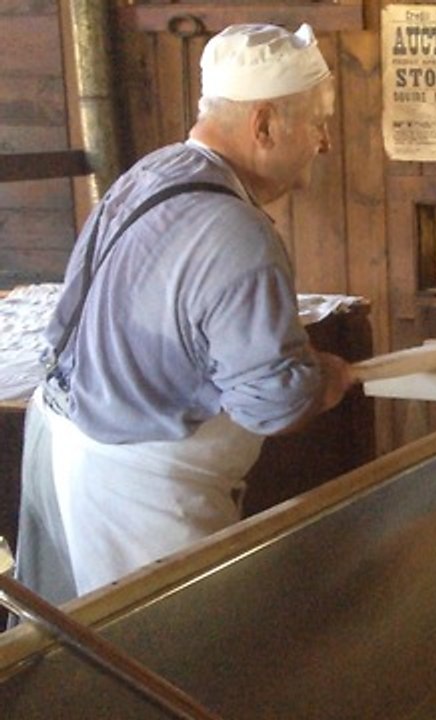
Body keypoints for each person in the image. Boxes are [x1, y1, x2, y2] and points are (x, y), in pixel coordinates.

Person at [14, 22, 352, 601]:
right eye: (318, 123)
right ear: (265, 124)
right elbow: (277, 403)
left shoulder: (150, 173)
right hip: (136, 486)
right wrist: (328, 378)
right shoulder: (237, 233)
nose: (324, 143)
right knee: (161, 666)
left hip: (68, 440)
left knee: (85, 656)